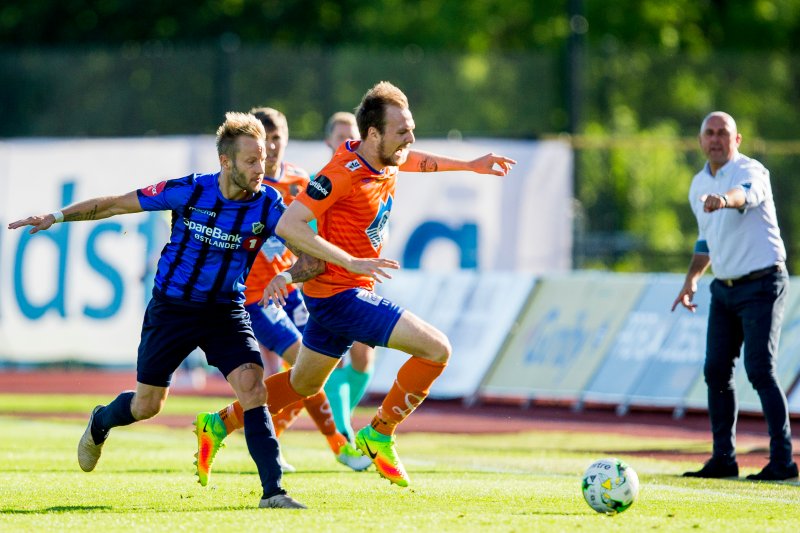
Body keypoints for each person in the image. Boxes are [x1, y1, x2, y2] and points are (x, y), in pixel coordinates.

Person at [7, 112, 312, 509]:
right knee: (147, 405)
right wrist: (57, 216)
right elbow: (114, 205)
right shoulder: (189, 191)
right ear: (226, 161)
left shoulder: (269, 203)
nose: (262, 167)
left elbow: (307, 247)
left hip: (225, 310)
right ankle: (101, 420)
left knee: (253, 388)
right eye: (252, 160)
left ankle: (273, 492)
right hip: (173, 309)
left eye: (264, 158)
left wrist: (294, 273)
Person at [260, 81, 516, 487]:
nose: (410, 138)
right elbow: (289, 224)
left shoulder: (386, 158)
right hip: (340, 294)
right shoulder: (338, 174)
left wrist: (469, 165)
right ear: (373, 134)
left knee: (303, 383)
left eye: (410, 128)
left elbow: (414, 159)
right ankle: (378, 432)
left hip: (341, 294)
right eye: (402, 131)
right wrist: (345, 261)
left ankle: (217, 424)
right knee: (436, 349)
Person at [193, 108, 370, 487]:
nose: (272, 146)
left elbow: (318, 234)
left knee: (315, 372)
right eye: (266, 139)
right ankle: (340, 444)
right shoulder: (240, 187)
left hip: (293, 292)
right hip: (255, 298)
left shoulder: (300, 182)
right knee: (301, 363)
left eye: (278, 138)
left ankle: (235, 426)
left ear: (286, 139)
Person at [672, 111, 797, 481]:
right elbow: (705, 241)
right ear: (699, 141)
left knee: (760, 370)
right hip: (724, 287)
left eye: (722, 133)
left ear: (736, 140)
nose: (715, 139)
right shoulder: (698, 184)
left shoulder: (750, 170)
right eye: (708, 133)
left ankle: (782, 461)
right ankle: (724, 459)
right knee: (715, 371)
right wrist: (692, 278)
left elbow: (745, 196)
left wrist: (722, 200)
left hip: (762, 283)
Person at [319, 111, 378, 444]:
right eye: (340, 135)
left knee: (364, 356)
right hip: (326, 286)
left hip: (359, 283)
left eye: (351, 135)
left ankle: (341, 415)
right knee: (333, 362)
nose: (346, 141)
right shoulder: (321, 182)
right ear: (328, 140)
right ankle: (342, 431)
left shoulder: (369, 179)